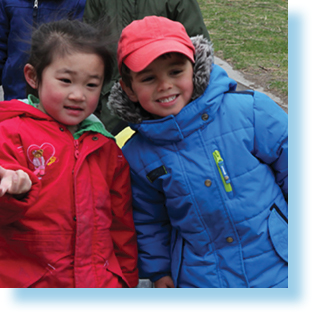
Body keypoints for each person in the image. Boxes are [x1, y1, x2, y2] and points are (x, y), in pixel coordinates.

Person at [108, 16, 288, 288]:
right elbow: (148, 218)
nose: (165, 85)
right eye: (148, 78)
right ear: (129, 89)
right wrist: (159, 271)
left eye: (176, 71)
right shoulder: (137, 154)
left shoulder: (250, 112)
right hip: (203, 278)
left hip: (279, 264)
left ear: (195, 68)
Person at [0, 19, 138, 288]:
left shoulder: (106, 147)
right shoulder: (10, 133)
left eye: (91, 85)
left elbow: (121, 227)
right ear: (33, 76)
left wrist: (127, 283)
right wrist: (15, 192)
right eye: (65, 80)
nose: (78, 95)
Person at [83, 0, 211, 135]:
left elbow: (197, 48)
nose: (165, 85)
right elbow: (91, 51)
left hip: (187, 111)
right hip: (113, 110)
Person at [0, 0, 86, 101]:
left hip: (58, 95)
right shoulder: (7, 2)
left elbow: (80, 51)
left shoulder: (77, 3)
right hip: (15, 92)